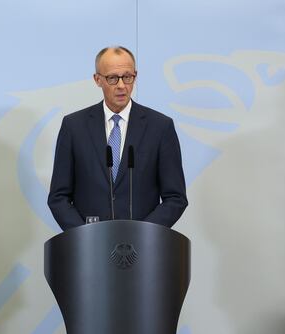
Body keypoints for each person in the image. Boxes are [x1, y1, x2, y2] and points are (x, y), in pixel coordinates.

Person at [47, 46, 188, 230]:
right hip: (88, 248)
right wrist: (84, 236)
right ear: (97, 79)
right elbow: (58, 197)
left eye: (127, 77)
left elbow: (175, 197)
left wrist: (144, 234)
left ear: (135, 76)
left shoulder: (160, 127)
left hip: (142, 248)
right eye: (113, 78)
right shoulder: (74, 126)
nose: (121, 85)